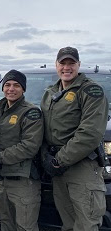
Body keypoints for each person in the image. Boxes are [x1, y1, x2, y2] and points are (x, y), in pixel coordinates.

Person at [40, 46, 109, 230]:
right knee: (68, 223)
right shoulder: (49, 93)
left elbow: (89, 133)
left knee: (87, 223)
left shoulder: (91, 91)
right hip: (57, 168)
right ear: (56, 65)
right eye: (63, 63)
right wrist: (45, 155)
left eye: (71, 63)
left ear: (79, 65)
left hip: (82, 167)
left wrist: (59, 160)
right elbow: (44, 128)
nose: (67, 67)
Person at [0, 70, 43, 231]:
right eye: (7, 85)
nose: (11, 89)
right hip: (2, 179)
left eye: (16, 85)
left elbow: (29, 146)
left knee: (25, 226)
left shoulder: (31, 112)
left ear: (23, 89)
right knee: (6, 222)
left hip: (23, 181)